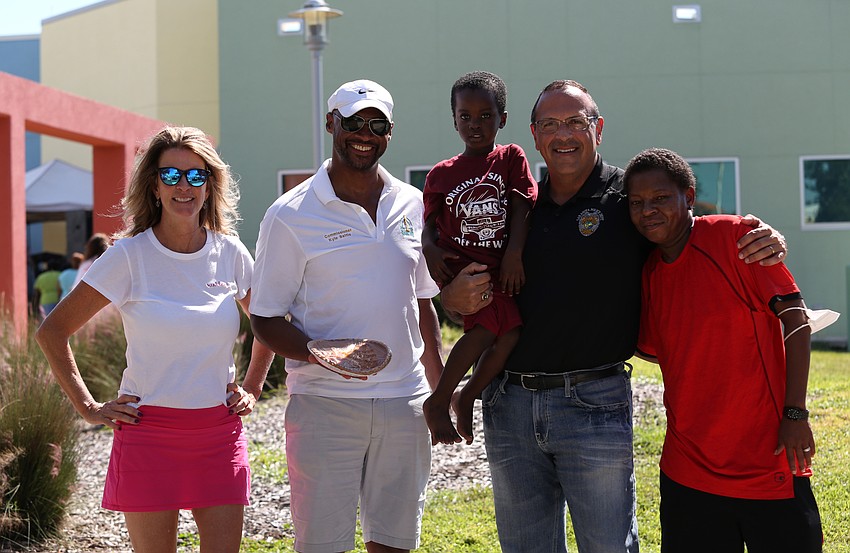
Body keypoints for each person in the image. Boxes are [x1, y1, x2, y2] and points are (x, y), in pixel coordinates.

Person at [439, 80, 789, 553]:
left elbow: (688, 226)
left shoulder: (630, 198)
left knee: (608, 546)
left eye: (575, 122)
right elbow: (470, 275)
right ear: (534, 135)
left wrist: (760, 233)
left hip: (594, 403)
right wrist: (451, 297)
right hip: (510, 405)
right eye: (550, 124)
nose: (563, 134)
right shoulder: (516, 205)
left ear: (598, 129)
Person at [36, 126, 275, 553]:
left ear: (209, 186)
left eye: (196, 176)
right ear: (154, 186)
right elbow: (52, 331)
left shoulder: (231, 252)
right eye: (171, 176)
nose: (184, 186)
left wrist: (254, 388)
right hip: (148, 434)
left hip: (218, 434)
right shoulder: (128, 257)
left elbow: (269, 324)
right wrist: (89, 408)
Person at [250, 79, 443, 553]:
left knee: (396, 544)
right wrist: (320, 353)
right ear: (331, 123)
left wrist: (441, 395)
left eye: (377, 124)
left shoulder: (412, 204)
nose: (365, 132)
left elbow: (423, 305)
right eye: (354, 121)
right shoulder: (289, 214)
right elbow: (265, 318)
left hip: (405, 403)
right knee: (321, 546)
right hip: (324, 405)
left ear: (390, 133)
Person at [625, 148, 823, 553]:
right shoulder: (649, 273)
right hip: (687, 473)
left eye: (661, 198)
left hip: (768, 462)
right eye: (637, 203)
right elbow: (657, 351)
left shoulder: (736, 238)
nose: (648, 211)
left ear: (689, 197)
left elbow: (798, 321)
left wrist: (795, 413)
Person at [421, 70, 537, 445]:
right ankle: (441, 399)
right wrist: (430, 249)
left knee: (512, 332)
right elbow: (428, 226)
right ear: (453, 118)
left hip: (501, 267)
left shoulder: (510, 158)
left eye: (485, 115)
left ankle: (466, 394)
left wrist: (514, 255)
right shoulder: (441, 174)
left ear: (502, 119)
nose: (475, 124)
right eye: (465, 116)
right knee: (486, 328)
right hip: (464, 268)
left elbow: (522, 208)